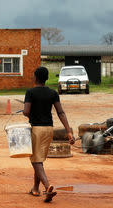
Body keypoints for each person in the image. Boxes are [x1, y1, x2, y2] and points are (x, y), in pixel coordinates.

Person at [23, 66, 75, 202]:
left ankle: (47, 186)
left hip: (36, 129)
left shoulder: (30, 92)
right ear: (46, 79)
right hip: (49, 129)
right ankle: (35, 188)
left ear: (35, 77)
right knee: (39, 159)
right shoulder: (53, 93)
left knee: (35, 160)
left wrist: (26, 112)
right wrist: (68, 131)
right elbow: (61, 112)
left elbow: (26, 111)